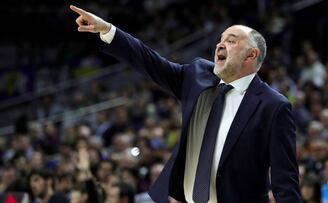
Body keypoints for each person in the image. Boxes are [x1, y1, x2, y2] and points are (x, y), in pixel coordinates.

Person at [70, 5, 301, 203]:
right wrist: (108, 30)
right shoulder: (197, 75)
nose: (220, 45)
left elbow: (285, 180)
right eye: (220, 40)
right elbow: (151, 62)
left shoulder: (273, 106)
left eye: (231, 41)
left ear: (251, 56)